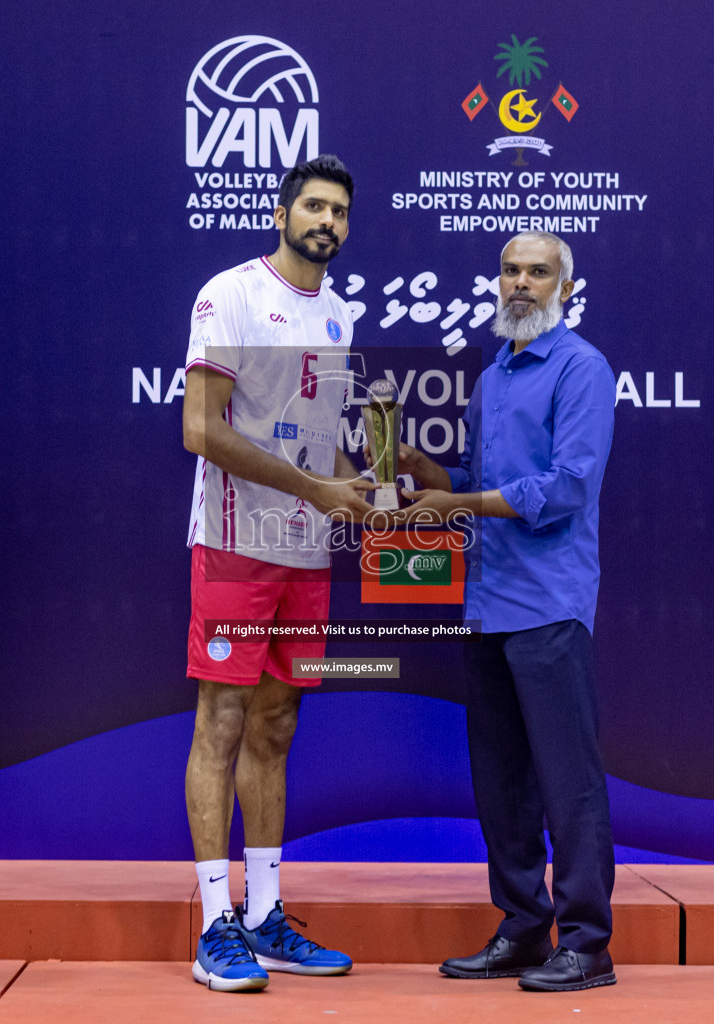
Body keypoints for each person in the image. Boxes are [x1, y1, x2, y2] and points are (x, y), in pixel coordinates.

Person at [394, 232, 619, 992]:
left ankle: (587, 943)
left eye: (538, 272)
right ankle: (524, 930)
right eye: (510, 270)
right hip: (487, 605)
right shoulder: (493, 376)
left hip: (549, 606)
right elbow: (485, 481)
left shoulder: (582, 369)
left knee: (568, 781)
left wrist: (456, 498)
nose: (520, 282)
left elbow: (565, 490)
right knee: (502, 783)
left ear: (565, 286)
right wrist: (436, 473)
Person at [181, 155, 372, 992]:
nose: (326, 221)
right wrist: (314, 487)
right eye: (314, 207)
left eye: (339, 211)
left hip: (303, 551)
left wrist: (365, 492)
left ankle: (265, 918)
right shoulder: (229, 294)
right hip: (233, 541)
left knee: (277, 726)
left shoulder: (337, 314)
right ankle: (213, 925)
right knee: (221, 722)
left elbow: (322, 438)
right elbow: (201, 428)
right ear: (282, 211)